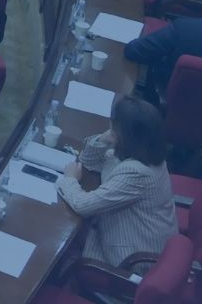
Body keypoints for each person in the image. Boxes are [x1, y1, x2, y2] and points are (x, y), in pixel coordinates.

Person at [56, 98, 177, 268]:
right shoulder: (147, 151)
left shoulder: (136, 173)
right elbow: (89, 162)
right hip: (141, 238)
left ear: (127, 135)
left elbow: (83, 206)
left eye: (115, 126)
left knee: (58, 232)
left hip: (131, 257)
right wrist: (104, 138)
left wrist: (70, 179)